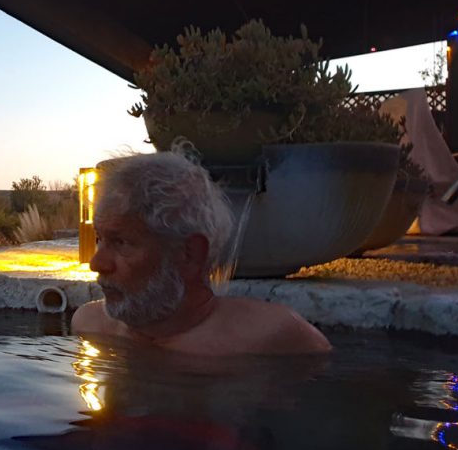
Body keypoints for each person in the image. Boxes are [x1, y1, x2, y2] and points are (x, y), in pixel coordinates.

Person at [71, 152, 331, 355]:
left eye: (122, 242)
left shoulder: (275, 339)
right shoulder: (90, 327)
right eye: (100, 239)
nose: (96, 263)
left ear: (189, 254)